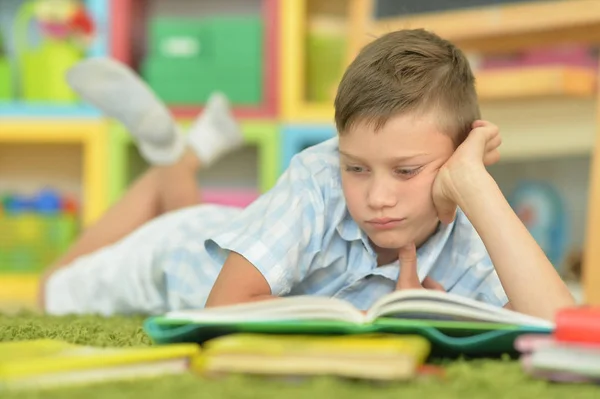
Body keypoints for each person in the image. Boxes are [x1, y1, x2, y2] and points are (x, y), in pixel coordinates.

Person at [40, 29, 575, 320]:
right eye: (356, 168)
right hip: (176, 259)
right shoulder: (316, 174)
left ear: (458, 161)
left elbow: (557, 322)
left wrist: (476, 184)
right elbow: (224, 308)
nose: (378, 197)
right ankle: (169, 162)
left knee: (196, 215)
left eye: (407, 171)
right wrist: (372, 314)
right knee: (49, 291)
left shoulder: (469, 203)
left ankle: (183, 156)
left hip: (241, 231)